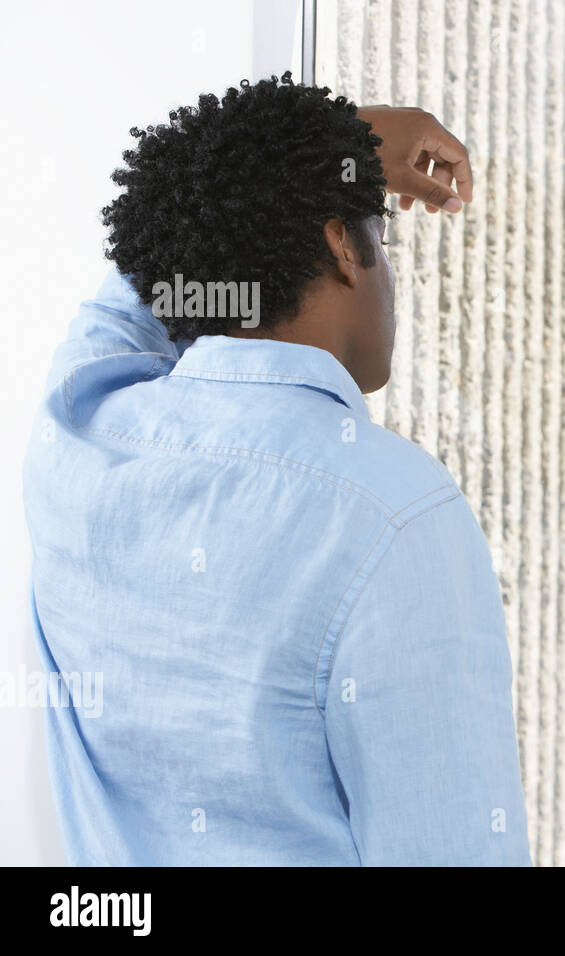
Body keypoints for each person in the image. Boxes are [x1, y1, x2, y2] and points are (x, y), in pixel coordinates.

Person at [22, 73, 532, 865]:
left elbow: (146, 264)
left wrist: (336, 146)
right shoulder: (392, 516)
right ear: (340, 246)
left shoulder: (80, 435)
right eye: (381, 243)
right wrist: (328, 148)